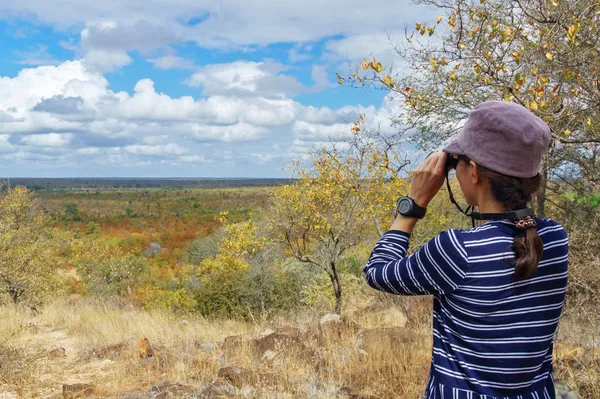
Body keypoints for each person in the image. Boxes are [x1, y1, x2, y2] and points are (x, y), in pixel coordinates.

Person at [364, 101, 568, 399]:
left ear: (473, 172)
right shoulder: (555, 238)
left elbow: (377, 272)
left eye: (456, 161)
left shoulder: (458, 251)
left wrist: (412, 206)